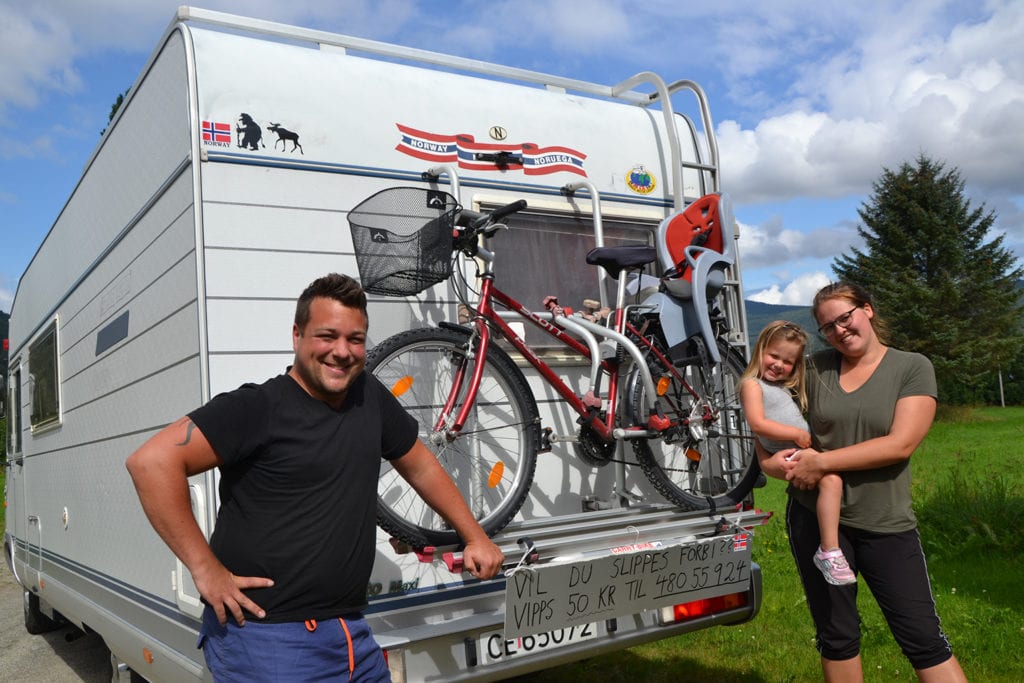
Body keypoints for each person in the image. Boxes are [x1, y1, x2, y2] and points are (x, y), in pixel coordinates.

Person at [126, 273, 505, 682]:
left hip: (350, 632)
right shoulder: (258, 407)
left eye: (355, 339)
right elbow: (151, 463)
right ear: (297, 335)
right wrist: (205, 570)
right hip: (268, 640)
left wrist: (475, 536)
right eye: (327, 336)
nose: (342, 351)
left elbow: (420, 463)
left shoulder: (369, 396)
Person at [757, 282, 967, 683]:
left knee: (924, 638)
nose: (839, 330)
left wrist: (821, 463)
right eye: (828, 326)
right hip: (814, 521)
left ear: (867, 310)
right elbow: (763, 405)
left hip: (885, 521)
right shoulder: (814, 368)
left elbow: (900, 444)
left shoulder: (911, 367)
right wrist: (768, 463)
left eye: (844, 317)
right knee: (837, 637)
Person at [739, 321, 854, 586]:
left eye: (788, 361)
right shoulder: (752, 385)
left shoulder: (780, 386)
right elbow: (757, 424)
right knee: (832, 481)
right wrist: (795, 434)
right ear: (760, 350)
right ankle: (829, 550)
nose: (779, 364)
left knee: (832, 482)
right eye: (774, 356)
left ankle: (831, 547)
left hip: (796, 449)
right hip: (788, 450)